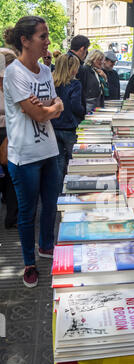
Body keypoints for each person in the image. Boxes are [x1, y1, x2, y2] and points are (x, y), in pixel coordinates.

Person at [3, 16, 64, 288]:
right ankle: (30, 263)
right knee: (28, 214)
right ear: (25, 41)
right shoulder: (15, 73)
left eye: (47, 35)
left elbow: (48, 105)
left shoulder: (46, 71)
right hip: (24, 156)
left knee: (50, 205)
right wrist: (49, 109)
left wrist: (47, 108)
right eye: (43, 36)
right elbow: (41, 112)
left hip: (49, 151)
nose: (48, 41)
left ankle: (46, 246)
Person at [51, 54, 85, 191]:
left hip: (53, 126)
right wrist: (83, 112)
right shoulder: (75, 84)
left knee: (58, 162)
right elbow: (76, 106)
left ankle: (58, 192)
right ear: (72, 69)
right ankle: (74, 189)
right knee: (75, 160)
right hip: (69, 127)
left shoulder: (51, 83)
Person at [0, 48, 18, 229]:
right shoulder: (11, 81)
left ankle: (11, 215)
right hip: (8, 131)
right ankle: (11, 217)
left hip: (8, 130)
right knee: (12, 177)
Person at [67, 35, 90, 115]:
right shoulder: (78, 66)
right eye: (86, 50)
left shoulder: (63, 60)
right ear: (82, 49)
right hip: (73, 117)